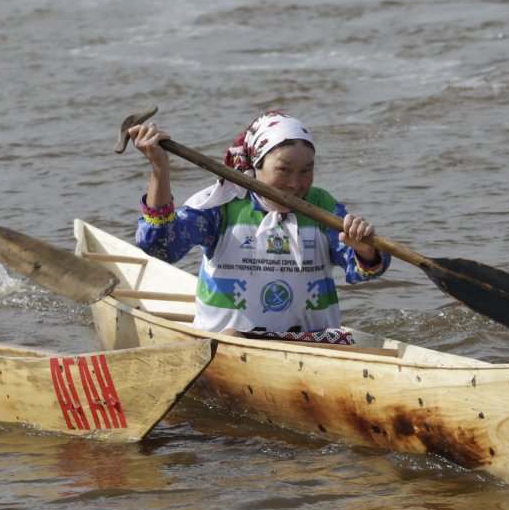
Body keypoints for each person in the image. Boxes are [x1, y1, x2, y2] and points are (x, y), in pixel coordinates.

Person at [127, 112, 390, 344]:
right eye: (284, 170)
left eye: (306, 171)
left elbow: (365, 271)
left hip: (311, 344)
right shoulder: (220, 205)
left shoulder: (323, 207)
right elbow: (160, 246)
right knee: (231, 337)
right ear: (256, 166)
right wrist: (160, 169)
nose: (295, 184)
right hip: (230, 344)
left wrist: (366, 250)